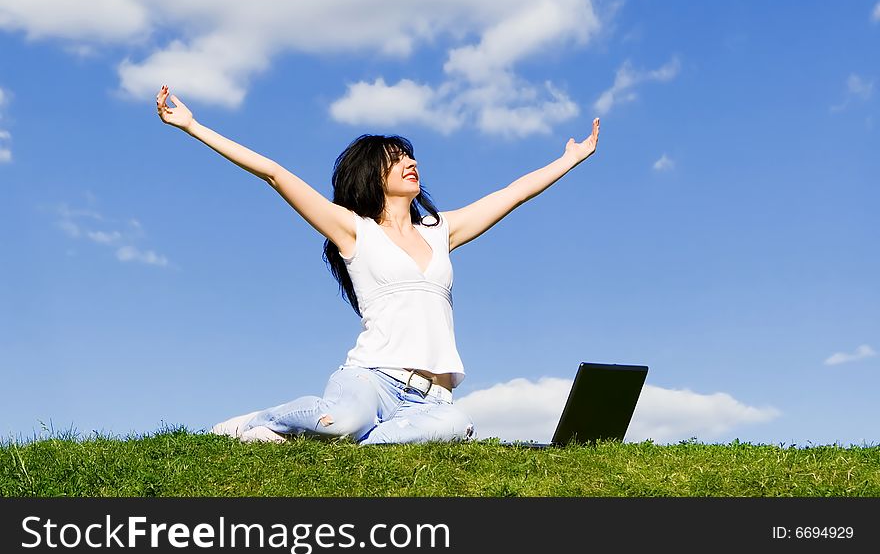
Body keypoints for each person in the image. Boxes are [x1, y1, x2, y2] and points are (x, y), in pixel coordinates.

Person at [155, 84, 600, 445]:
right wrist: (193, 126)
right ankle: (262, 420)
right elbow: (274, 173)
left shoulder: (440, 231)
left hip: (432, 398)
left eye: (410, 156)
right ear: (373, 176)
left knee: (456, 427)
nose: (412, 163)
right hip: (371, 380)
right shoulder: (354, 232)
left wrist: (569, 159)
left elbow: (513, 193)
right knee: (345, 421)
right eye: (397, 160)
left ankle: (326, 439)